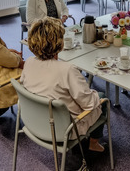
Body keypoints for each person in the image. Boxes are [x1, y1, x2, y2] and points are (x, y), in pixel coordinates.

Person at [21, 17, 106, 152]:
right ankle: (93, 144)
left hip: (35, 121)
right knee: (102, 97)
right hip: (64, 129)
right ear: (59, 43)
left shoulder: (29, 62)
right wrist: (94, 94)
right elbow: (89, 104)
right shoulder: (67, 70)